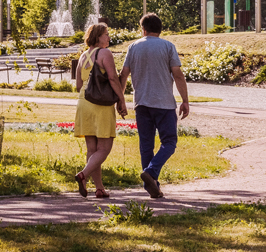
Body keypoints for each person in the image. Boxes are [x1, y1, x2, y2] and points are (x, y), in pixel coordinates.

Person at [119, 13, 189, 198]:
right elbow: (178, 75)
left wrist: (121, 100)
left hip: (141, 103)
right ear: (160, 29)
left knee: (146, 146)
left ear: (143, 29)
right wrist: (185, 100)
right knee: (169, 142)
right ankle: (151, 173)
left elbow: (124, 74)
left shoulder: (133, 47)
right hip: (164, 103)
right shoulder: (168, 46)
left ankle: (152, 186)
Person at [73, 23, 128, 198]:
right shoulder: (105, 53)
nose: (109, 37)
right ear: (98, 37)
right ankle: (83, 175)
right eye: (106, 34)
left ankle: (99, 188)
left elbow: (78, 85)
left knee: (92, 149)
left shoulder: (83, 56)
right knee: (104, 148)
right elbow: (112, 78)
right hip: (100, 104)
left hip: (83, 102)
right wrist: (121, 99)